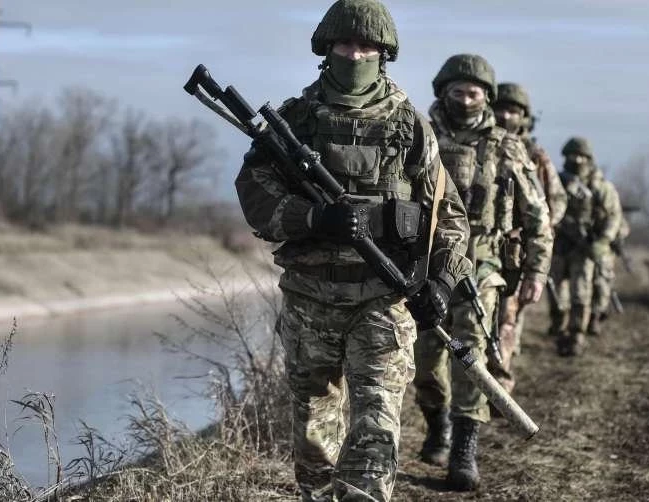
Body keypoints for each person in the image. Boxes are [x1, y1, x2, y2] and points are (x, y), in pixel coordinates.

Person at [233, 1, 471, 500]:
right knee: (314, 436)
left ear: (384, 54)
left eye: (367, 46)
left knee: (375, 430)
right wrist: (314, 218)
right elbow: (255, 196)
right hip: (310, 298)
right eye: (346, 43)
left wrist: (442, 283)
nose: (356, 54)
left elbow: (448, 215)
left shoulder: (410, 125)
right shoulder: (295, 122)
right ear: (327, 48)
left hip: (384, 301)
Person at [412, 54, 552, 491]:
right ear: (443, 92)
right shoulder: (420, 135)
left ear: (486, 97)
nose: (465, 100)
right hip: (425, 265)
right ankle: (437, 423)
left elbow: (538, 214)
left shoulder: (506, 146)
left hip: (482, 266)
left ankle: (464, 449)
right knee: (425, 359)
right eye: (458, 92)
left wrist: (536, 270)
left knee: (469, 355)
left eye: (473, 93)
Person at [489, 82, 568, 390]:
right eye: (500, 109)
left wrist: (533, 229)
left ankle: (499, 387)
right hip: (478, 248)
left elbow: (556, 202)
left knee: (506, 320)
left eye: (513, 111)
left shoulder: (534, 155)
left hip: (515, 254)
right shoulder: (480, 144)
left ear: (524, 117)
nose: (505, 116)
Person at [550, 137, 622, 357]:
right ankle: (559, 327)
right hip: (559, 245)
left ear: (589, 159)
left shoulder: (600, 186)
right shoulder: (556, 181)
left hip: (583, 249)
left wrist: (603, 241)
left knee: (580, 293)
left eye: (581, 156)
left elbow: (613, 216)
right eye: (573, 156)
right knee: (555, 292)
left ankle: (576, 334)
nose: (577, 160)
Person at [590, 213, 630, 334]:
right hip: (586, 252)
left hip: (605, 257)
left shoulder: (613, 212)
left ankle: (595, 317)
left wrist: (612, 237)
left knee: (602, 287)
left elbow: (623, 228)